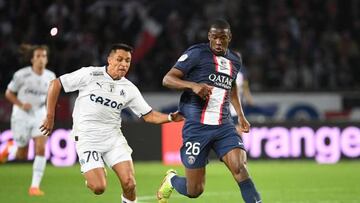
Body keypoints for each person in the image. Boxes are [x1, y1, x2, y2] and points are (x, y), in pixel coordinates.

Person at [39, 43, 183, 203]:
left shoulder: (129, 89)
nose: (124, 64)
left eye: (127, 61)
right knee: (98, 187)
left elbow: (149, 116)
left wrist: (170, 118)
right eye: (119, 59)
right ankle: (92, 176)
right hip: (88, 139)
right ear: (109, 59)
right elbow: (56, 84)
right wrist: (50, 116)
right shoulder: (90, 74)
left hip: (113, 139)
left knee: (129, 183)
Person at [157, 19, 262, 203]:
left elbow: (232, 87)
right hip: (197, 127)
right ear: (209, 37)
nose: (219, 42)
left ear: (229, 37)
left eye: (223, 37)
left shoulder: (235, 60)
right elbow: (167, 79)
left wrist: (241, 116)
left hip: (224, 125)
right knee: (194, 190)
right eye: (215, 37)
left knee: (240, 168)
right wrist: (193, 86)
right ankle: (172, 180)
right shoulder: (196, 53)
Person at [0, 44, 56, 196]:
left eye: (43, 56)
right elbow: (8, 93)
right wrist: (20, 104)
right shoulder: (21, 75)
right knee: (22, 154)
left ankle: (34, 187)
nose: (41, 59)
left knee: (41, 148)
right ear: (32, 59)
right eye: (38, 56)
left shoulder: (51, 76)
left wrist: (49, 113)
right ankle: (10, 148)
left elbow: (51, 97)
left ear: (47, 59)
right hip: (21, 114)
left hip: (39, 113)